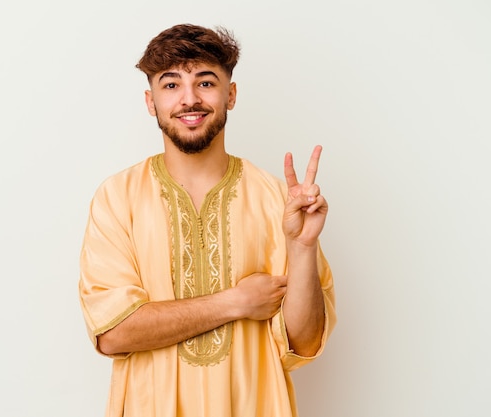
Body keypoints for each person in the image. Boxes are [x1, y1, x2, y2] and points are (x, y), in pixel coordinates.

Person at [78, 23, 336, 417]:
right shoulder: (117, 198)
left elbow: (304, 342)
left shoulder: (275, 200)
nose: (189, 99)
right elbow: (114, 334)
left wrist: (302, 247)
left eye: (205, 82)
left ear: (230, 95)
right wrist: (235, 302)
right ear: (151, 101)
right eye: (171, 85)